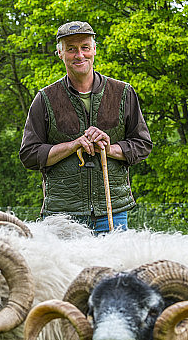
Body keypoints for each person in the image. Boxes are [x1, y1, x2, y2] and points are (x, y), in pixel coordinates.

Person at [19, 20, 152, 232]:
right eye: (71, 49)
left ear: (94, 50)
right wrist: (73, 146)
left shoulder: (122, 93)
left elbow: (142, 145)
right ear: (60, 53)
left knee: (114, 256)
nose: (79, 55)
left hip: (112, 212)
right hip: (62, 216)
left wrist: (108, 149)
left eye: (85, 47)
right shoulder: (45, 99)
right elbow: (29, 155)